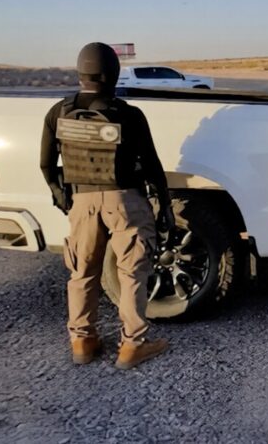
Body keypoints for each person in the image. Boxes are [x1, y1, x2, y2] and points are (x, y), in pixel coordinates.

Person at [39, 42, 174, 370]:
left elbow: (46, 164)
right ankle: (132, 346)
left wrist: (61, 196)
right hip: (124, 201)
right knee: (131, 273)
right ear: (114, 74)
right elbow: (152, 166)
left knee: (82, 272)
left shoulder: (59, 112)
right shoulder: (129, 114)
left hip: (82, 202)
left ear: (80, 73)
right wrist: (165, 205)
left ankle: (83, 341)